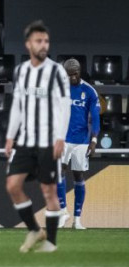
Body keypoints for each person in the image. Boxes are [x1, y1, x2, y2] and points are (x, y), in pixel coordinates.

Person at [5, 20, 70, 253]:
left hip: (48, 141)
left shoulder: (56, 71)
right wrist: (10, 136)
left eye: (46, 41)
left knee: (48, 191)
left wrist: (60, 137)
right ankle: (34, 229)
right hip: (26, 141)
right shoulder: (21, 71)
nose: (44, 45)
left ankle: (51, 242)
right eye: (38, 41)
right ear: (28, 44)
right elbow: (18, 106)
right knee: (13, 185)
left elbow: (65, 105)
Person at [56, 58, 100, 230]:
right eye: (68, 75)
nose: (72, 78)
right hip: (63, 139)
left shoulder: (89, 91)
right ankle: (62, 211)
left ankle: (77, 219)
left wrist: (94, 139)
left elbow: (95, 117)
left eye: (74, 74)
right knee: (59, 171)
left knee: (78, 176)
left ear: (79, 73)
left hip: (81, 140)